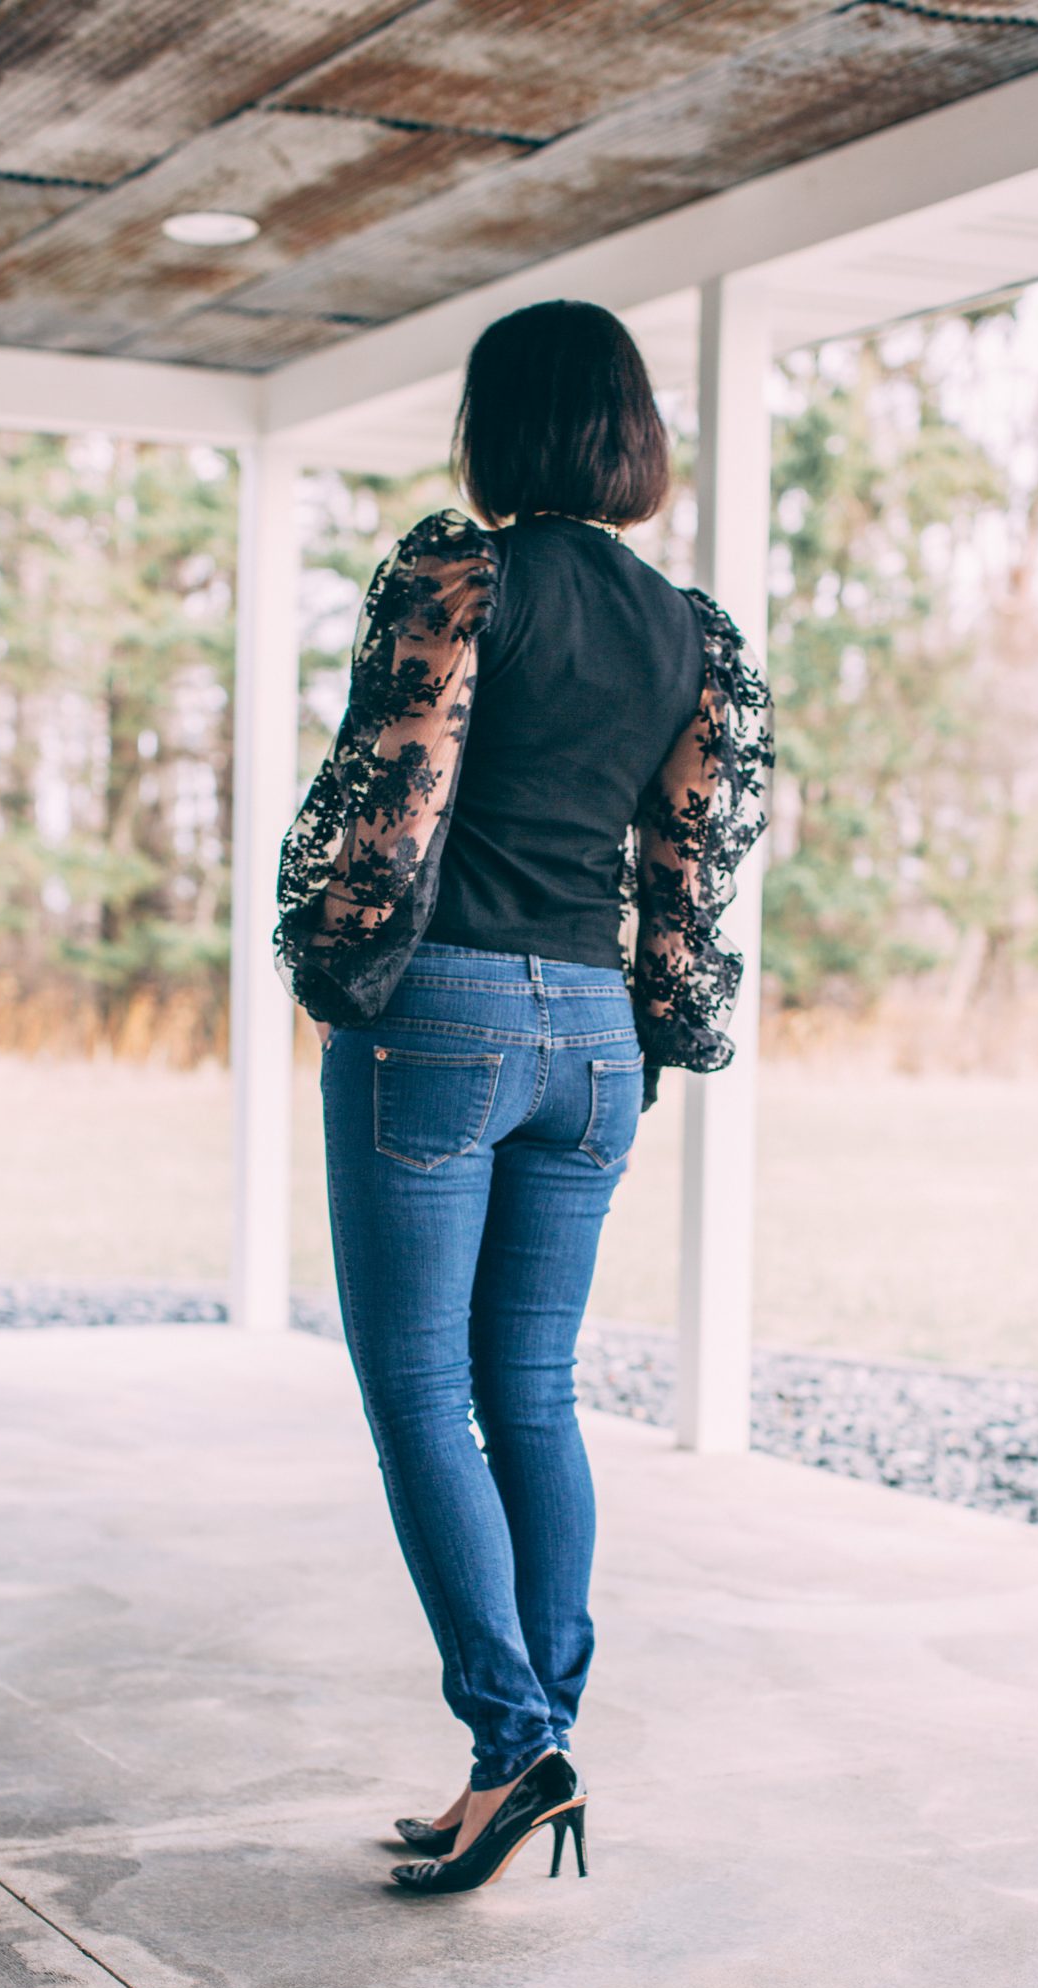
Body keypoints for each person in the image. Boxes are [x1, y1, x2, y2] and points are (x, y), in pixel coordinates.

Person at [272, 298, 774, 1895]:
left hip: (447, 1019)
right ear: (628, 431)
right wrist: (656, 1032)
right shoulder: (693, 631)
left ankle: (512, 1742)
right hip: (593, 1045)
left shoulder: (461, 576)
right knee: (534, 1395)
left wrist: (340, 970)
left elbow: (393, 790)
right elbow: (688, 869)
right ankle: (528, 1746)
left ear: (499, 429)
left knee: (421, 1396)